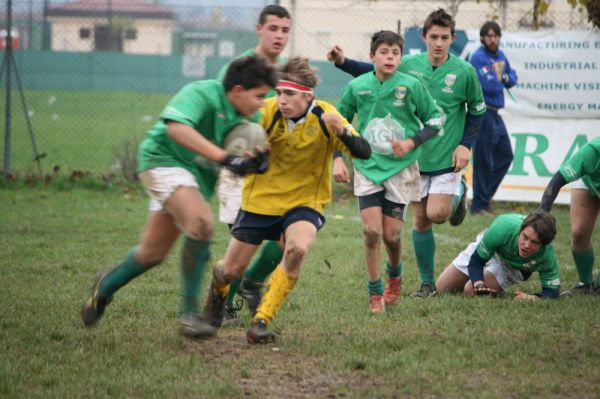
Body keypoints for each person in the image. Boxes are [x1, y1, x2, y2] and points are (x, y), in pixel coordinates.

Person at [80, 55, 277, 339]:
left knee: (152, 254)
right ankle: (190, 314)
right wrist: (226, 158)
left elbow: (246, 154)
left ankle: (104, 287)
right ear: (237, 91)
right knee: (201, 223)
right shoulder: (202, 93)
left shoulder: (251, 119)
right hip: (163, 160)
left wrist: (257, 162)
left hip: (192, 181)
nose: (262, 103)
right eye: (259, 96)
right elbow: (176, 128)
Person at [203, 57, 371, 344]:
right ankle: (217, 294)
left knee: (297, 249)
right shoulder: (264, 113)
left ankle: (261, 321)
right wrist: (252, 154)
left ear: (308, 96)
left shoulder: (327, 116)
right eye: (279, 92)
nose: (281, 99)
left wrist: (342, 130)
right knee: (230, 270)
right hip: (260, 202)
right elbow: (240, 153)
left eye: (289, 94)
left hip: (305, 202)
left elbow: (364, 152)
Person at [327, 9, 486, 299]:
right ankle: (427, 284)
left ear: (453, 39)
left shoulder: (465, 73)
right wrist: (342, 63)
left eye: (445, 37)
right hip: (411, 161)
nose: (439, 43)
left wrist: (466, 145)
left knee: (437, 214)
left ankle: (459, 190)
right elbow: (369, 70)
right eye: (433, 37)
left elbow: (477, 111)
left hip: (447, 157)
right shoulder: (407, 63)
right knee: (420, 221)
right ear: (424, 37)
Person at [336, 30, 444, 313]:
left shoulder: (411, 86)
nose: (390, 57)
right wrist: (338, 158)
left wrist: (411, 142)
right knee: (371, 232)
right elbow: (338, 124)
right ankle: (375, 293)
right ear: (372, 56)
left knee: (391, 236)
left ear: (401, 57)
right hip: (367, 166)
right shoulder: (357, 86)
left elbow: (436, 119)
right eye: (384, 52)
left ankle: (394, 275)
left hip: (401, 169)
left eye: (395, 53)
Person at [214, 4, 291, 326]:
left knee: (286, 239)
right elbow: (221, 114)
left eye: (285, 30)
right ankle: (224, 303)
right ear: (259, 29)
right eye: (273, 28)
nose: (279, 36)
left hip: (277, 172)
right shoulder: (241, 68)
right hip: (241, 170)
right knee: (241, 248)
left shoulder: (287, 72)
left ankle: (251, 284)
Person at [436, 210, 560, 300]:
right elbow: (476, 260)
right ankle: (487, 275)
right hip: (493, 248)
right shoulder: (503, 227)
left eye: (534, 242)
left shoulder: (547, 257)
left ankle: (493, 280)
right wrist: (479, 283)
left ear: (544, 245)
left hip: (513, 265)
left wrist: (533, 297)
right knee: (441, 287)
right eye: (525, 237)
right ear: (520, 230)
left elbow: (552, 291)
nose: (526, 245)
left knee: (470, 291)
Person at [540, 136, 600, 295]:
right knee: (579, 231)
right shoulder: (593, 150)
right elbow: (557, 180)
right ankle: (585, 284)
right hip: (590, 181)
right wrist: (541, 213)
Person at [469, 21, 518, 216]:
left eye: (496, 35)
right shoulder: (479, 57)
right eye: (489, 35)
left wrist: (503, 78)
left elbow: (512, 78)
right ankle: (479, 205)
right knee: (483, 160)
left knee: (506, 156)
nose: (493, 39)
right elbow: (488, 85)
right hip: (483, 112)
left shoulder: (500, 56)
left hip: (496, 113)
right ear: (482, 38)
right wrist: (501, 79)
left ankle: (483, 199)